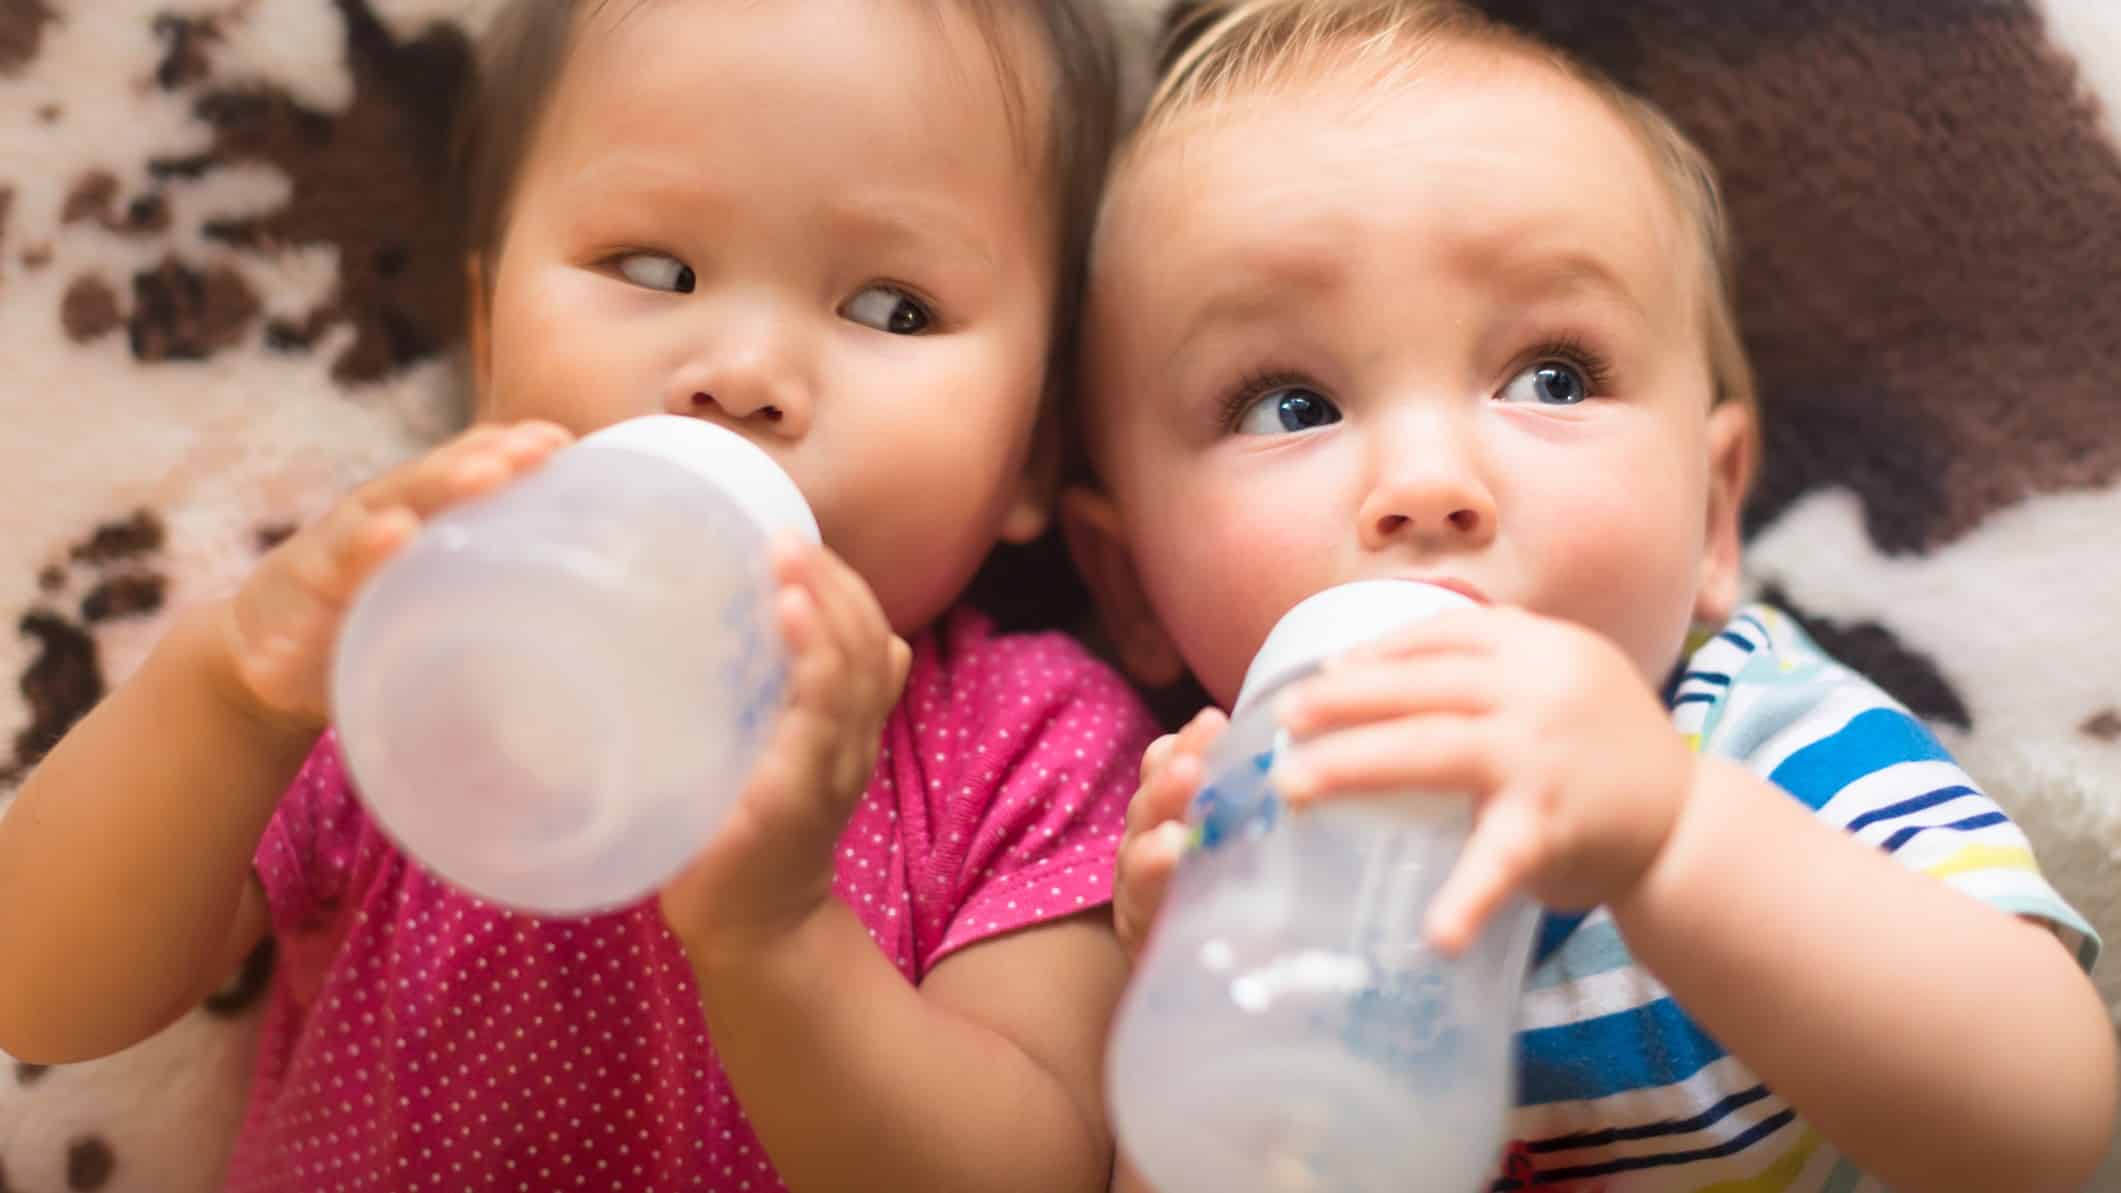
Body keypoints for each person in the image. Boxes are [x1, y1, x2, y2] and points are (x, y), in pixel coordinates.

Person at [0, 2, 1157, 1190]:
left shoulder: (1034, 748)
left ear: (1034, 447)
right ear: (490, 339)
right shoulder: (400, 634)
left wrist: (779, 938)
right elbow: (40, 993)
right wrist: (231, 693)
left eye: (891, 307)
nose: (746, 375)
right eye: (656, 269)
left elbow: (1030, 1167)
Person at [1058, 2, 2115, 1189]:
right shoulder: (1171, 828)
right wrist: (1191, 996)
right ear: (1127, 582)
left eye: (1553, 376)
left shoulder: (1763, 747)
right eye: (1287, 404)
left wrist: (1670, 836)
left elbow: (2052, 1118)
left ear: (1714, 515)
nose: (1427, 485)